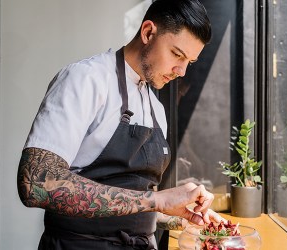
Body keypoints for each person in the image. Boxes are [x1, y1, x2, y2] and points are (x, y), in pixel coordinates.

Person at [17, 0, 225, 249]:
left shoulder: (155, 108)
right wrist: (156, 199)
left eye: (188, 62)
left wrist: (181, 216)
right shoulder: (85, 80)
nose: (181, 71)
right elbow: (37, 183)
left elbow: (134, 203)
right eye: (177, 54)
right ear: (148, 32)